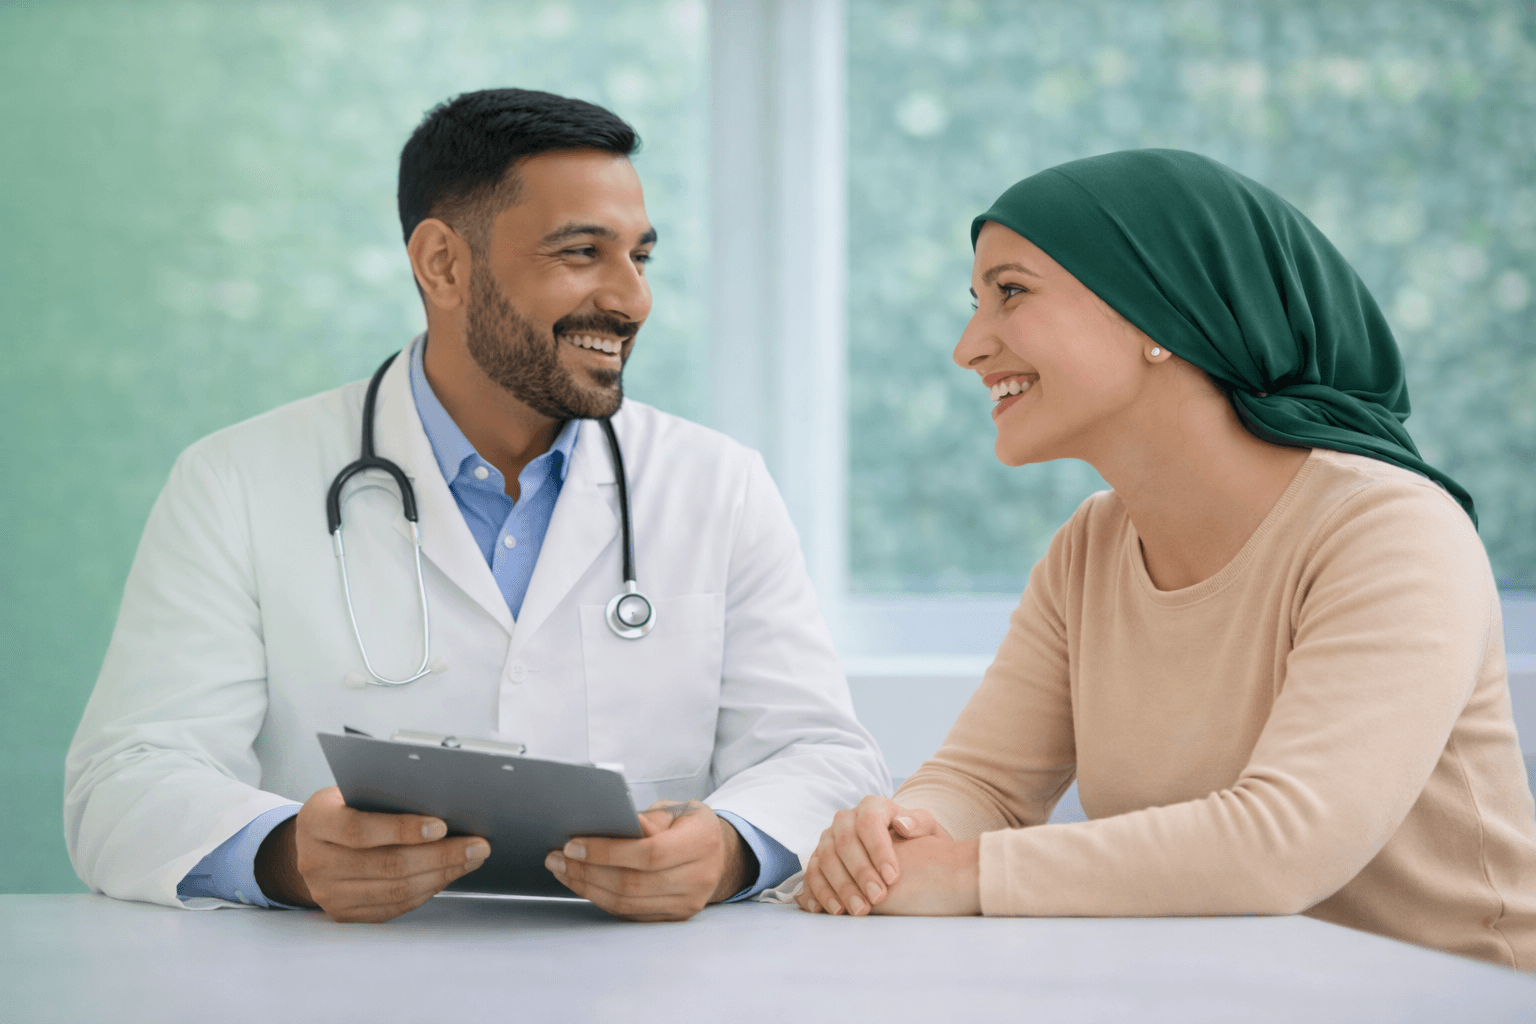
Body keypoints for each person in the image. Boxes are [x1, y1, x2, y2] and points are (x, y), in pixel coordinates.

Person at [65, 88, 889, 924]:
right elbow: (124, 782)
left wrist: (728, 849)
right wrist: (285, 855)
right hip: (341, 991)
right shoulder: (235, 482)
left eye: (641, 256)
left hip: (644, 990)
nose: (633, 298)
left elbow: (823, 756)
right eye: (581, 253)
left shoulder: (717, 484)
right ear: (443, 264)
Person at [794, 149, 1536, 971]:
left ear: (1156, 313)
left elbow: (1286, 843)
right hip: (1235, 991)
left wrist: (964, 873)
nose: (969, 347)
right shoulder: (1092, 546)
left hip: (1458, 997)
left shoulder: (1390, 529)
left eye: (1011, 293)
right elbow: (986, 785)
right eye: (974, 303)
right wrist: (900, 836)